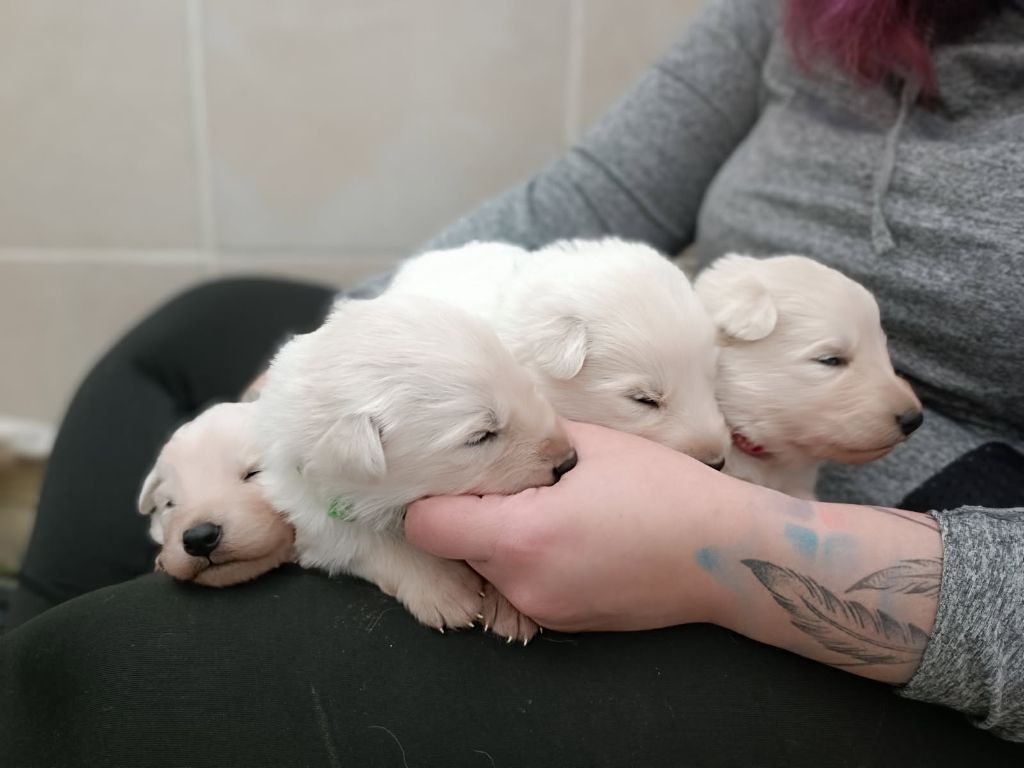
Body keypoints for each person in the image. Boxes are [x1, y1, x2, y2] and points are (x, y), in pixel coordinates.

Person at [2, 0, 1022, 764]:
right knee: (192, 335)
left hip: (892, 588)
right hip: (662, 394)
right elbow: (590, 191)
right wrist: (347, 342)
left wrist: (727, 549)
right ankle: (33, 627)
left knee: (110, 676)